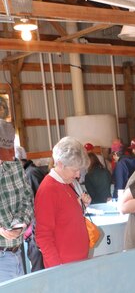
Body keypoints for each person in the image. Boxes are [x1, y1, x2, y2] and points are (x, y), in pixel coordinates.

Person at [34, 137, 91, 268]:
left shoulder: (67, 183)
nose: (78, 175)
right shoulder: (48, 190)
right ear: (60, 164)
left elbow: (65, 218)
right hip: (64, 268)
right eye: (75, 170)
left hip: (77, 263)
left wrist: (81, 205)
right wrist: (58, 269)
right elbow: (43, 236)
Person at [0, 121, 34, 282]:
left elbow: (27, 199)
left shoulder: (15, 167)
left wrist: (20, 224)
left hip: (17, 251)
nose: (9, 156)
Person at [15, 145, 47, 273]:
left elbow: (38, 207)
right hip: (35, 233)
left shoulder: (30, 174)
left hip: (37, 234)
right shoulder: (33, 171)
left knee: (39, 272)